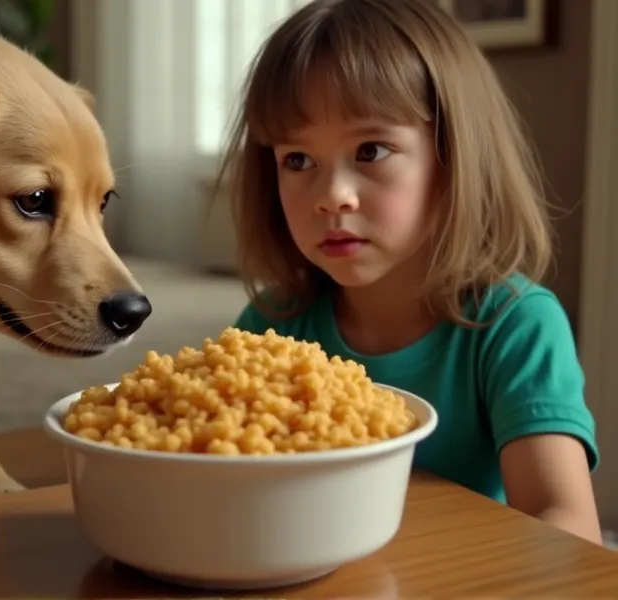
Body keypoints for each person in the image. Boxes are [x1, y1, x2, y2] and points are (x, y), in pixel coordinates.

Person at [217, 0, 602, 545]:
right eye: (298, 160)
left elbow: (565, 526)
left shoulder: (516, 326)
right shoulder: (272, 325)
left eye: (371, 150)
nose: (332, 196)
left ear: (454, 158)